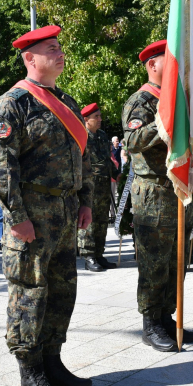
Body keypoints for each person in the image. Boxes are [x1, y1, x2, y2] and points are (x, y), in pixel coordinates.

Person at [0, 24, 94, 386]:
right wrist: (16, 217)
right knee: (30, 292)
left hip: (65, 211)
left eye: (59, 47)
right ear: (30, 58)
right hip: (32, 212)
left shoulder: (67, 101)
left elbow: (85, 158)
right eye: (51, 49)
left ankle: (53, 360)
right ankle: (29, 368)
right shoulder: (12, 104)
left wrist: (85, 201)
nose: (59, 53)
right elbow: (1, 167)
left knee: (62, 289)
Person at [123, 40, 193, 350]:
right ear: (153, 65)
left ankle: (167, 317)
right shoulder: (141, 101)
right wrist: (165, 121)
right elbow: (132, 140)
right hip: (153, 190)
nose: (177, 68)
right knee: (154, 261)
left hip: (176, 189)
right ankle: (151, 322)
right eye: (169, 62)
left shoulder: (176, 100)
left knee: (176, 260)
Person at [77, 103, 119, 272]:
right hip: (88, 185)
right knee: (89, 221)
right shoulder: (81, 136)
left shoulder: (102, 136)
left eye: (100, 116)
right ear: (86, 119)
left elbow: (107, 160)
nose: (100, 119)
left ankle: (99, 254)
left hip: (103, 184)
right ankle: (89, 255)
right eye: (97, 117)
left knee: (102, 220)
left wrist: (116, 174)